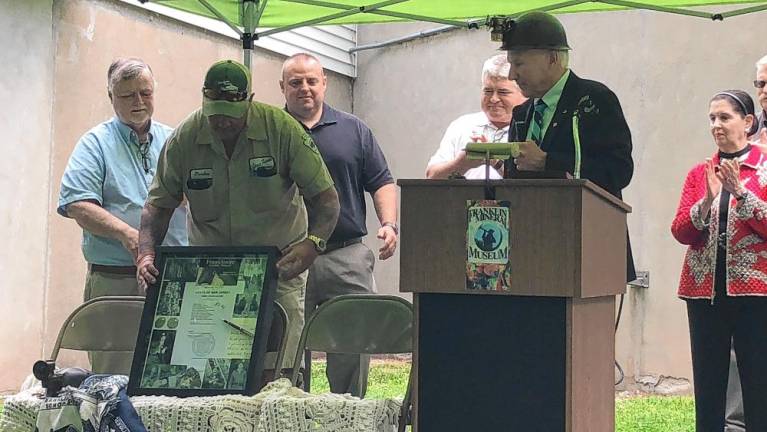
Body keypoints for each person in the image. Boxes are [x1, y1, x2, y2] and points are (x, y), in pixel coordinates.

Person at [136, 59, 340, 375]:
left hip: (278, 267)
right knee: (210, 367)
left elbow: (326, 199)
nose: (222, 123)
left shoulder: (282, 131)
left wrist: (313, 244)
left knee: (278, 367)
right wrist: (146, 253)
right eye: (214, 114)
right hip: (211, 273)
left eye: (231, 115)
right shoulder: (184, 139)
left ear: (250, 100)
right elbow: (157, 206)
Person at [57, 57, 188, 374]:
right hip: (118, 280)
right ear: (111, 97)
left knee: (177, 372)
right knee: (114, 380)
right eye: (128, 95)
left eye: (145, 93)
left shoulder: (176, 140)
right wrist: (132, 238)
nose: (139, 102)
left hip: (176, 278)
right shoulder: (95, 144)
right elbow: (78, 204)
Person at [280, 53, 397, 397]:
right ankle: (290, 415)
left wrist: (389, 224)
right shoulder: (271, 130)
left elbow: (381, 181)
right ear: (282, 87)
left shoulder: (353, 129)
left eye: (311, 81)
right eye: (295, 82)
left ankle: (348, 415)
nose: (304, 88)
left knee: (352, 345)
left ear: (324, 83)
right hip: (289, 256)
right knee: (287, 347)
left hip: (345, 255)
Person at [500, 11, 636, 282]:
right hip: (532, 248)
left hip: (589, 245)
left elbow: (619, 170)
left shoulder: (593, 100)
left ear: (552, 58)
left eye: (519, 64)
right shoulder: (522, 113)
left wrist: (548, 161)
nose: (512, 74)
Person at [671, 90, 767, 431]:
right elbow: (681, 230)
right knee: (708, 380)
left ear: (748, 122)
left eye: (724, 117)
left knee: (758, 380)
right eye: (712, 118)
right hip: (704, 293)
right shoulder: (700, 173)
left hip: (756, 294)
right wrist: (708, 202)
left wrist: (740, 192)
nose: (716, 125)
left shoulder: (764, 167)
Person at [724, 53, 767, 432]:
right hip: (751, 274)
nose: (764, 91)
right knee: (746, 356)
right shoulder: (751, 142)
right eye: (760, 84)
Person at [426, 54, 527, 179]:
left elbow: (530, 183)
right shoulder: (462, 125)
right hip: (461, 198)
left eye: (503, 92)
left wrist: (494, 161)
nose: (494, 99)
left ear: (523, 94)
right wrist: (461, 164)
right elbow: (432, 176)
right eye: (488, 91)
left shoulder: (529, 128)